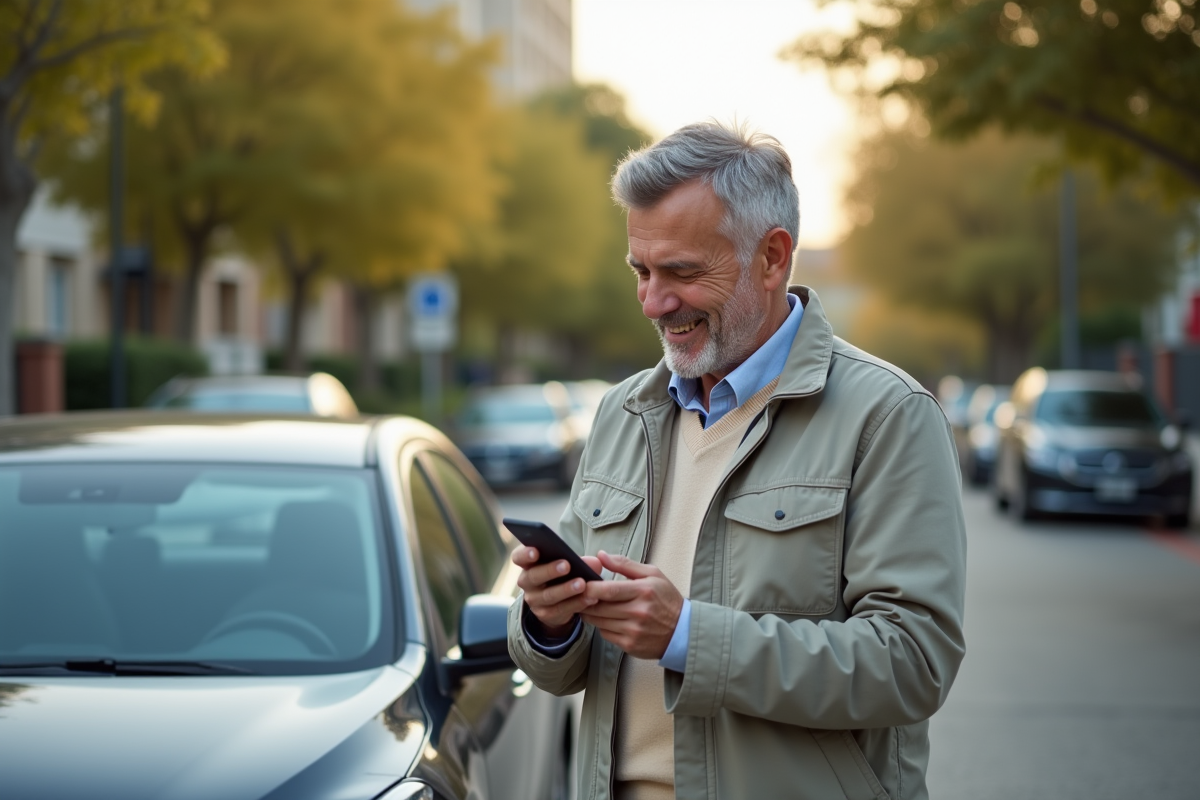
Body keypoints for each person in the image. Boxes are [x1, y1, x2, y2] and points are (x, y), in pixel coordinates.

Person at [507, 122, 967, 800]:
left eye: (683, 273)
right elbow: (563, 673)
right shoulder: (621, 413)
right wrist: (549, 622)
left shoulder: (888, 414)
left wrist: (689, 636)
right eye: (641, 271)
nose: (654, 302)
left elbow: (913, 663)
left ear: (773, 258)